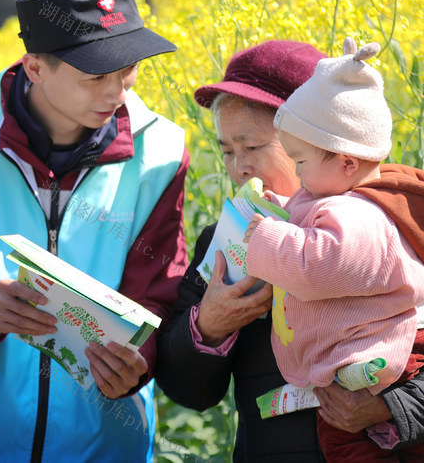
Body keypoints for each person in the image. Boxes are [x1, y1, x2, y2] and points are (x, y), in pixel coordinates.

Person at [0, 0, 190, 462]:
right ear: (35, 68)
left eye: (128, 70)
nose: (117, 93)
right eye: (95, 77)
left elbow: (160, 290)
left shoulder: (161, 151)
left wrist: (137, 361)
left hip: (105, 444)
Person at [155, 39, 424, 461]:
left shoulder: (398, 222)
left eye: (254, 147)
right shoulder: (226, 239)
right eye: (226, 150)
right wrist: (208, 327)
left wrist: (391, 407)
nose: (238, 167)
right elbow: (187, 390)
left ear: (325, 141)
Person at [244, 37, 424, 459]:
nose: (297, 174)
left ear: (346, 163)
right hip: (361, 362)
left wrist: (265, 237)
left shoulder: (362, 215)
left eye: (300, 161)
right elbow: (313, 219)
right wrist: (282, 213)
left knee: (349, 447)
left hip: (383, 364)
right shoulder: (335, 191)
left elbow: (319, 267)